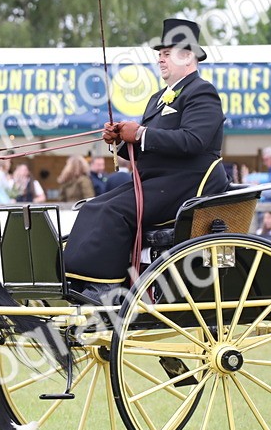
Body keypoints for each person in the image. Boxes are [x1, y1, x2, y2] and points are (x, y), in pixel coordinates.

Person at [63, 18, 229, 295]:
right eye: (160, 55)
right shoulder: (157, 99)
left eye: (167, 54)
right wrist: (119, 141)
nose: (161, 60)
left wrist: (139, 133)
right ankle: (76, 280)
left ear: (188, 56)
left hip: (188, 184)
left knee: (113, 211)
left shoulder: (202, 92)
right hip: (155, 181)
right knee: (91, 206)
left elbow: (193, 141)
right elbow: (148, 149)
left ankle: (106, 288)